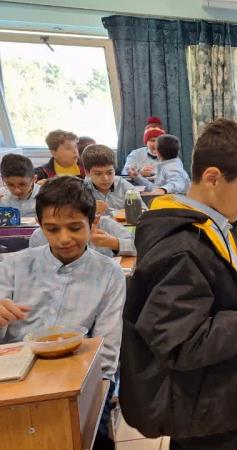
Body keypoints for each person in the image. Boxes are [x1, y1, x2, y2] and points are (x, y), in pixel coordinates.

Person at [120, 118, 237, 450]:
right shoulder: (181, 245)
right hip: (204, 408)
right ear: (213, 178)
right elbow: (181, 340)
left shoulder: (207, 224)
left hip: (213, 396)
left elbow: (211, 286)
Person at [0, 176, 125, 450]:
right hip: (14, 378)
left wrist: (98, 392)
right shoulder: (12, 266)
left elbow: (107, 347)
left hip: (78, 375)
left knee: (92, 438)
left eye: (75, 227)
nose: (64, 238)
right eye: (52, 229)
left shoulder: (109, 273)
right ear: (40, 226)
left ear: (92, 223)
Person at [82, 144, 137, 210]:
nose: (105, 178)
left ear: (114, 170)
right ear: (87, 172)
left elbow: (142, 211)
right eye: (98, 174)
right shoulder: (82, 190)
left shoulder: (123, 185)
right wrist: (90, 211)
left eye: (109, 173)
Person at [0, 153, 40, 218]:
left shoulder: (45, 196)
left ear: (34, 179)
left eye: (22, 184)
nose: (17, 191)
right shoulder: (1, 195)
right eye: (10, 185)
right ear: (3, 179)